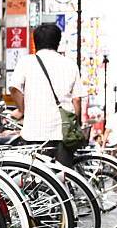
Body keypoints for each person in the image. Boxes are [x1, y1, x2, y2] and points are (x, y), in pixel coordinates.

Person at [8, 24, 87, 167]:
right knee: (62, 178)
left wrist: (22, 109)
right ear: (58, 41)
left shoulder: (26, 62)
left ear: (35, 41)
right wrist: (71, 122)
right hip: (62, 133)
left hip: (34, 131)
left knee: (36, 179)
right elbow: (76, 100)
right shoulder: (70, 65)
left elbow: (14, 88)